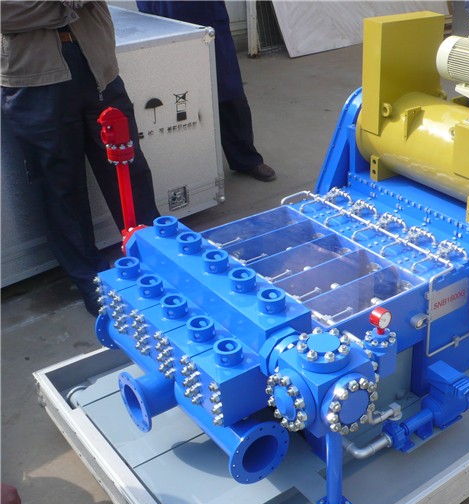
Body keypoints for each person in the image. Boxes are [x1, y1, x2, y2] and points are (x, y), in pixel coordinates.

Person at [1, 0, 161, 317]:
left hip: (98, 67)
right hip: (34, 78)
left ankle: (156, 258)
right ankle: (92, 281)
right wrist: (66, 8)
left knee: (128, 170)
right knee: (59, 187)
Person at [136, 1, 276, 182]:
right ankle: (184, 168)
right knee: (175, 96)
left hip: (204, 14)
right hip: (161, 15)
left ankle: (246, 159)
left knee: (228, 89)